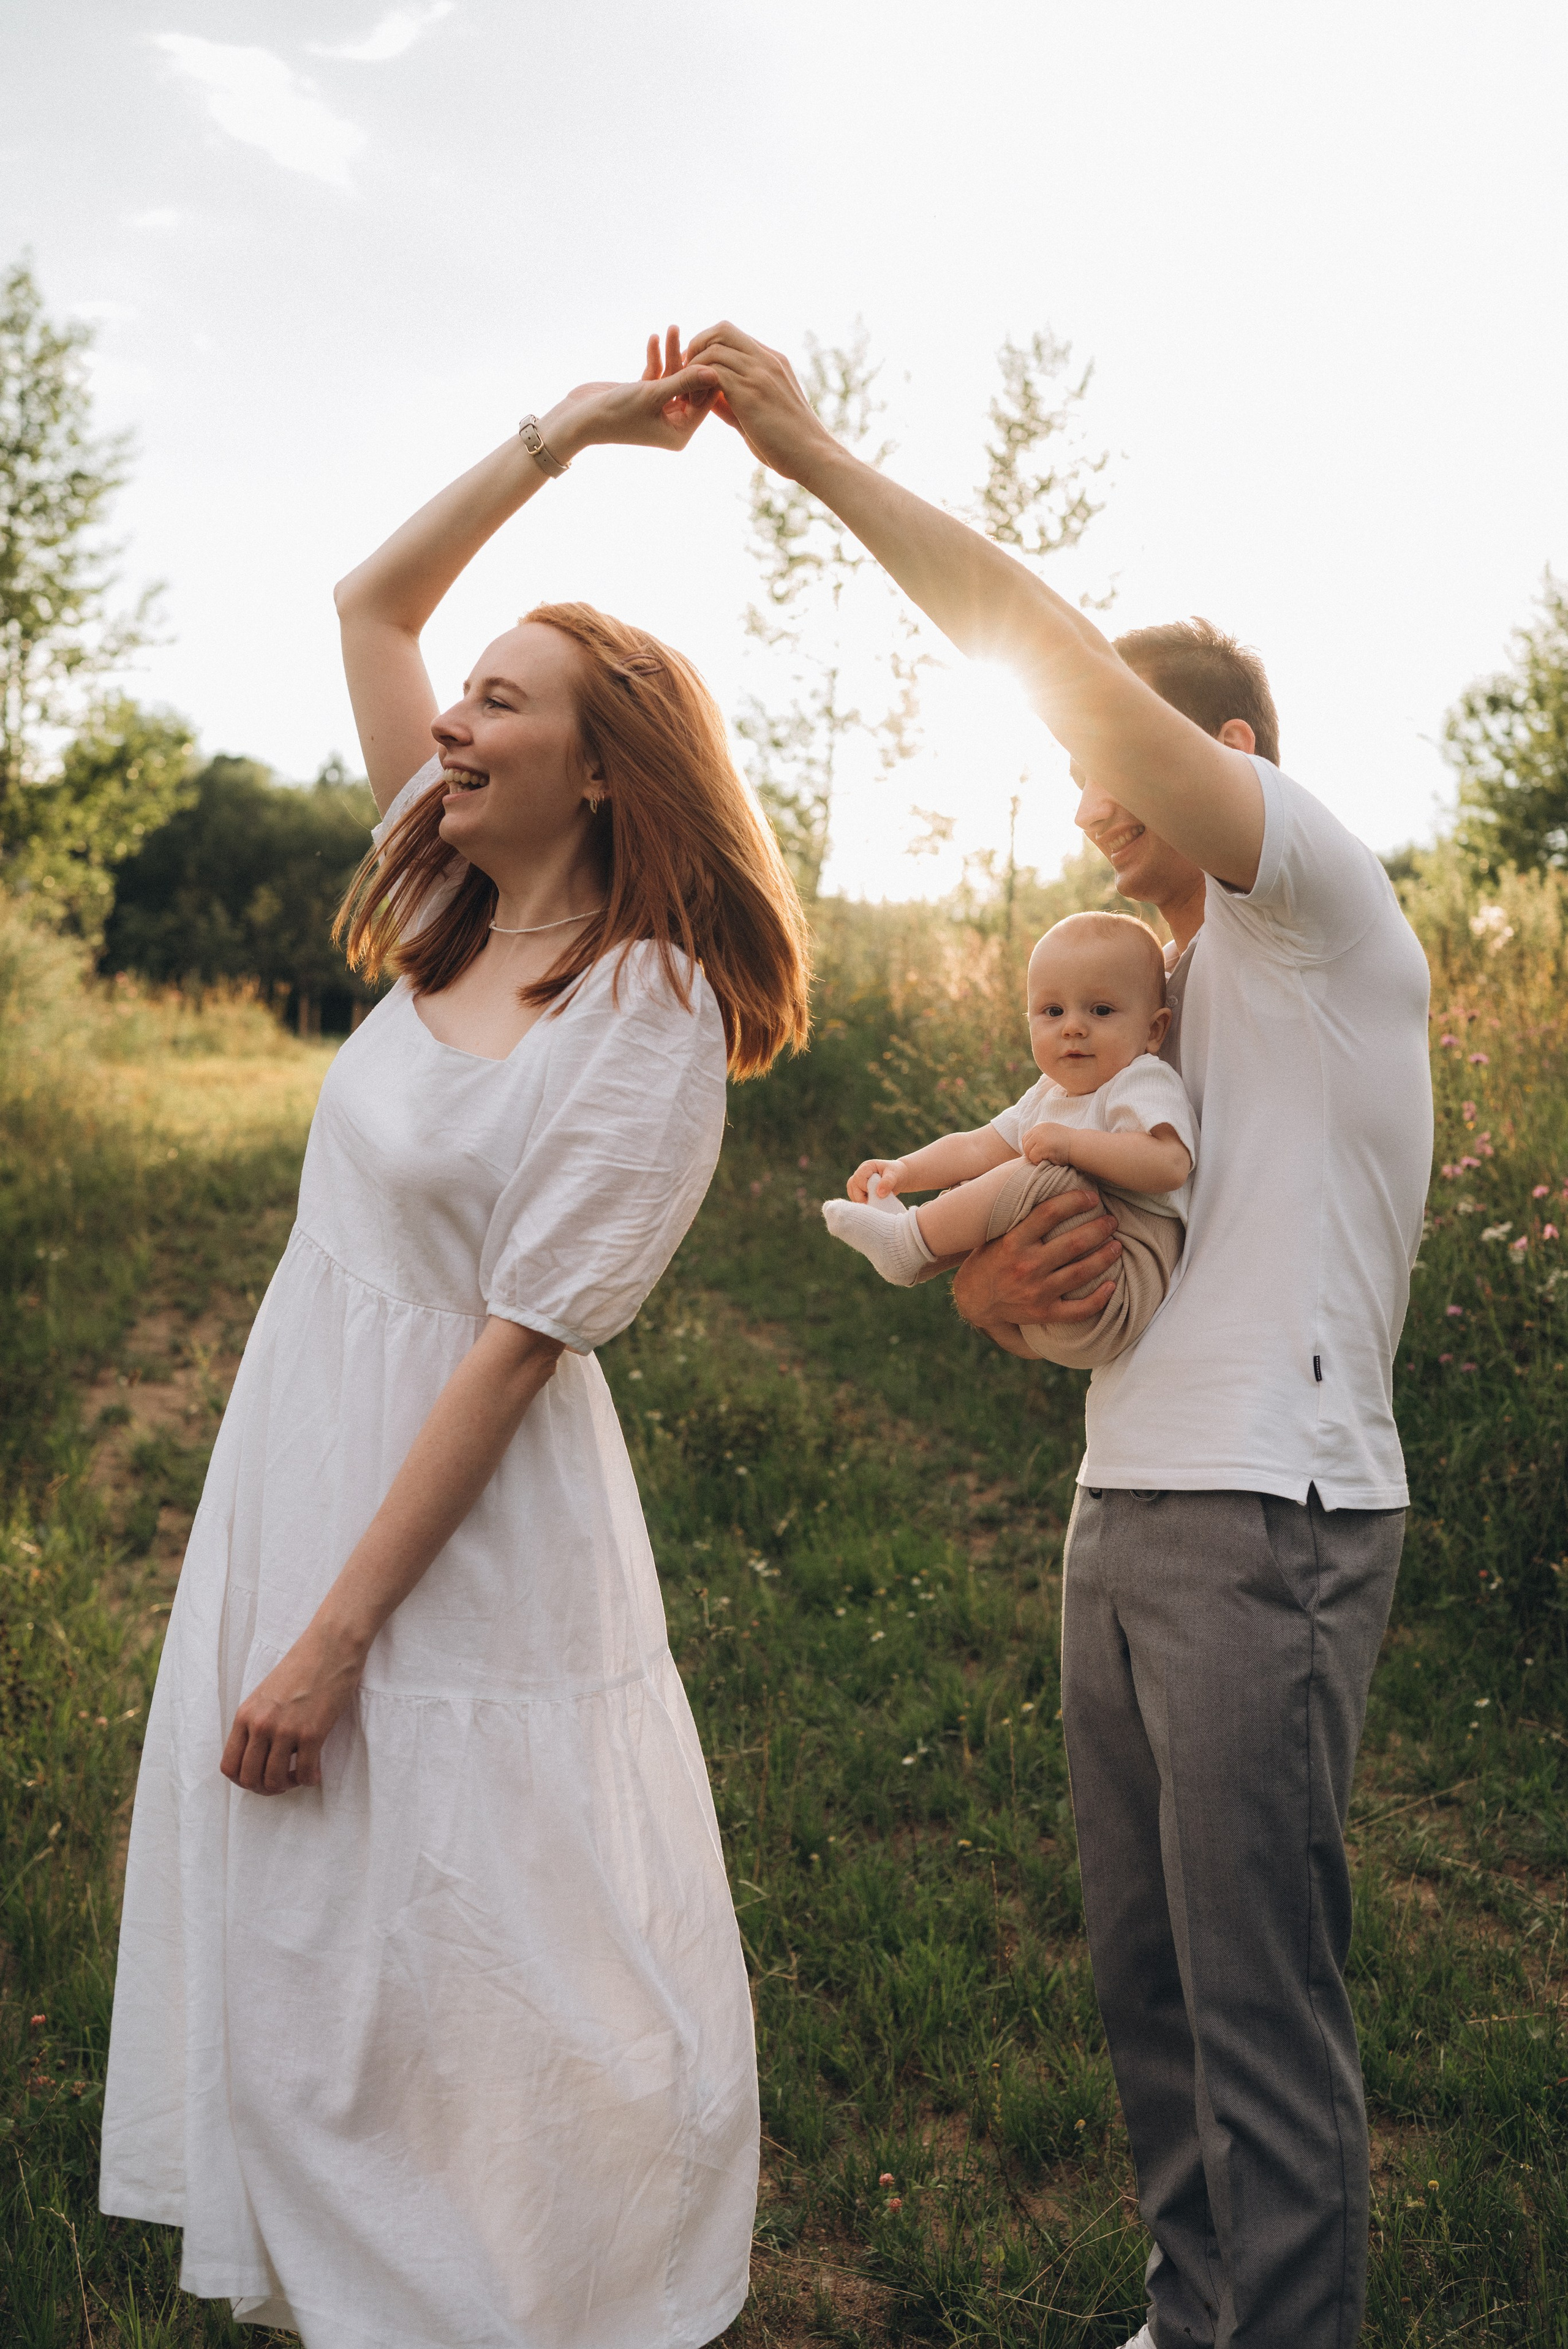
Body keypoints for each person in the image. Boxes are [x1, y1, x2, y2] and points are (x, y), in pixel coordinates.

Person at [683, 325, 1433, 2349]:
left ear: (1228, 753)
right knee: (1146, 1973)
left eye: (1117, 766)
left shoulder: (1321, 903)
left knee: (1255, 1993)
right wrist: (1021, 1312)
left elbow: (1036, 630)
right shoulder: (1166, 1000)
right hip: (1134, 1503)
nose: (1092, 803)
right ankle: (1198, 2312)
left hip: (1269, 1525)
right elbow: (1131, 1269)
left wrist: (819, 454)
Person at [100, 333, 810, 2349]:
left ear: (602, 767)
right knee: (334, 1907)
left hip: (470, 1519)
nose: (458, 717)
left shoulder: (647, 1004)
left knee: (503, 1938)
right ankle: (371, 2288)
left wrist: (335, 1634)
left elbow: (515, 1348)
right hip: (311, 1436)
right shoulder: (444, 893)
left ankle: (547, 2288)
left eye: (506, 701)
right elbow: (370, 601)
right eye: (464, 698)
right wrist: (571, 436)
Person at [821, 910, 1197, 1369]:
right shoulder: (1048, 1094)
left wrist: (1073, 1146)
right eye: (1053, 1011)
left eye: (1100, 1010)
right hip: (1053, 1302)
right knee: (997, 1178)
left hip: (1121, 1281)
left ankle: (907, 1244)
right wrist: (905, 1170)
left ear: (1154, 1030)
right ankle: (918, 1249)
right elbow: (976, 1147)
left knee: (1046, 1174)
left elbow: (1171, 1163)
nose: (1073, 1027)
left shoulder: (1140, 1081)